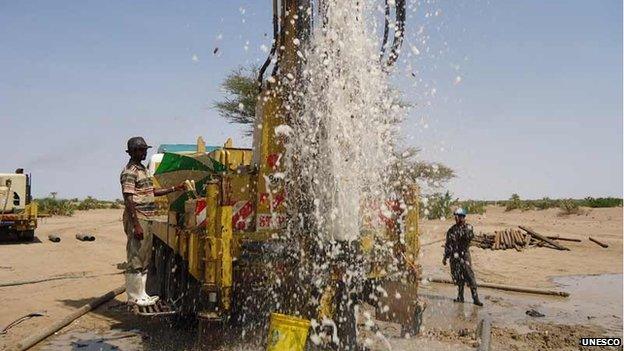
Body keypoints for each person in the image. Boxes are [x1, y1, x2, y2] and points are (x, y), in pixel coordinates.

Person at [121, 137, 185, 306]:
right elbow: (128, 199)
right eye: (141, 150)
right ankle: (134, 296)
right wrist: (135, 225)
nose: (144, 152)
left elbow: (151, 191)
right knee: (136, 257)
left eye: (145, 149)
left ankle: (142, 294)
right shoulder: (130, 171)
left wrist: (174, 189)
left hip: (147, 217)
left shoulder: (143, 169)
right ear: (132, 152)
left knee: (144, 257)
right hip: (139, 217)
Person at [442, 208, 483, 306]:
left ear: (463, 217)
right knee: (457, 277)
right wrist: (445, 257)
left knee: (469, 276)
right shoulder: (451, 230)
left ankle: (475, 298)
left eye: (459, 216)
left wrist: (461, 233)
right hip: (454, 256)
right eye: (455, 216)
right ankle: (460, 297)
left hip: (464, 255)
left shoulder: (468, 228)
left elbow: (468, 237)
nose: (456, 218)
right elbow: (448, 245)